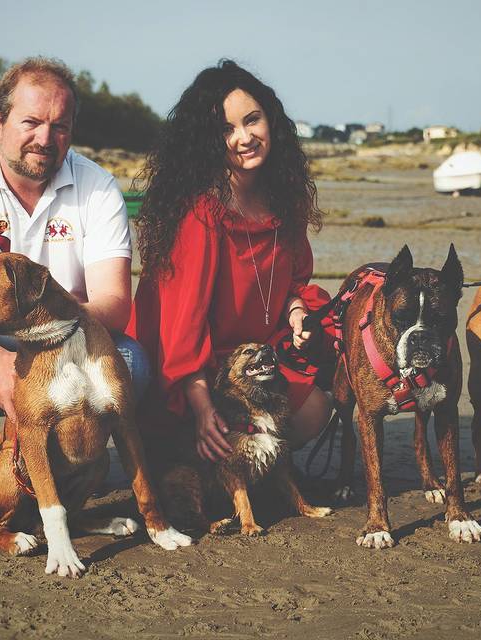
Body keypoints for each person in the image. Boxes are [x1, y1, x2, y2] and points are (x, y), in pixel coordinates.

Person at [0, 57, 150, 511]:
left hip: (67, 340)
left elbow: (113, 305)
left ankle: (76, 465)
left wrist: (39, 334)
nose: (45, 139)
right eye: (31, 122)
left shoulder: (98, 189)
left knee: (132, 361)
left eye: (60, 126)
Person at [127, 60, 333, 463]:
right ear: (207, 141)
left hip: (256, 357)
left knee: (316, 410)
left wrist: (295, 312)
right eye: (226, 129)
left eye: (252, 120)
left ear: (270, 120)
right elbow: (181, 327)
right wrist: (203, 409)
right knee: (215, 445)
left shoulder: (285, 198)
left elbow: (295, 282)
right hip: (192, 373)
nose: (244, 137)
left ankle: (260, 460)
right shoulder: (200, 211)